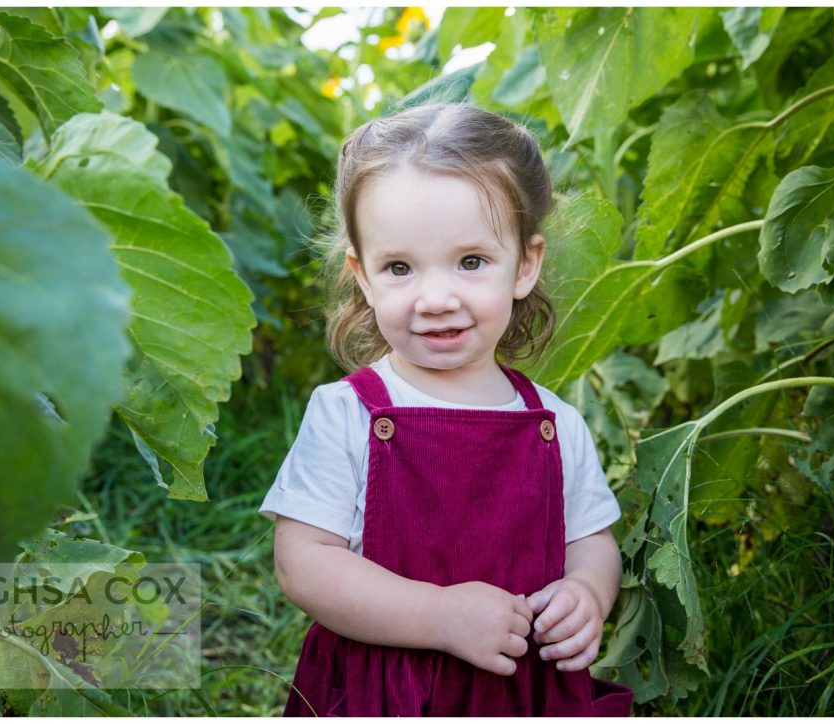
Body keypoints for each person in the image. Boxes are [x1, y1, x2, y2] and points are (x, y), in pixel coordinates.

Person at [260, 102, 633, 716]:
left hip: (519, 687)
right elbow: (303, 565)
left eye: (471, 262)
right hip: (385, 689)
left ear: (525, 264)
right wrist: (439, 616)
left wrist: (588, 591)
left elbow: (591, 540)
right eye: (400, 268)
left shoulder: (555, 424)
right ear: (364, 276)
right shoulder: (347, 413)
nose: (436, 298)